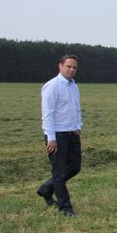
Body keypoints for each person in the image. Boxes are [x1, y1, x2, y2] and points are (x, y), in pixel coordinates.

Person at [37, 55, 83, 216]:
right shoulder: (52, 86)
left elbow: (76, 109)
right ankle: (65, 208)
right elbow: (47, 114)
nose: (71, 70)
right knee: (59, 171)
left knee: (75, 167)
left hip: (72, 134)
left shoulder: (74, 86)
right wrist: (51, 138)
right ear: (60, 66)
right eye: (68, 66)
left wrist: (78, 126)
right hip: (57, 136)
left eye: (74, 67)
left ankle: (46, 189)